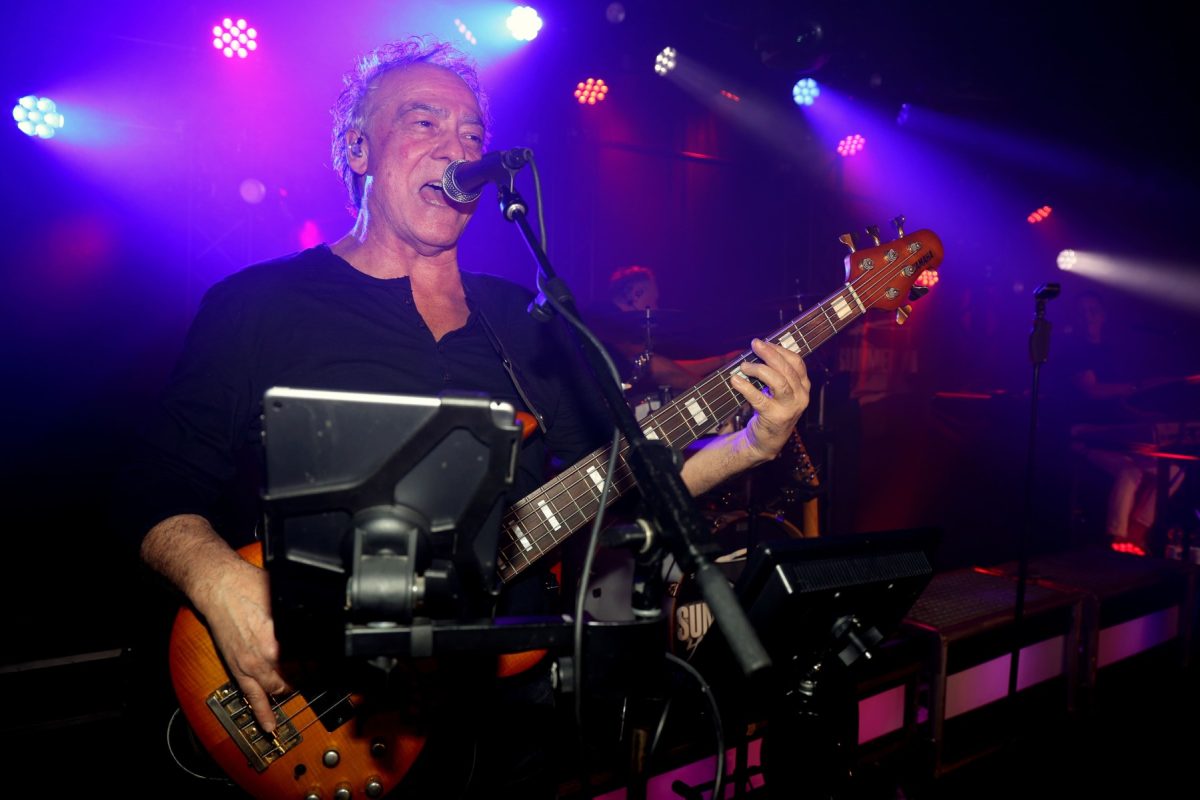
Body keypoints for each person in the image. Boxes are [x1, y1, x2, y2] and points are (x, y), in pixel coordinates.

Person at [115, 36, 810, 798]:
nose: (459, 149)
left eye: (473, 135)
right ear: (357, 149)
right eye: (425, 123)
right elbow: (152, 487)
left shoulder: (527, 320)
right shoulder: (257, 306)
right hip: (314, 704)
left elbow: (621, 479)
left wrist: (748, 445)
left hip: (501, 727)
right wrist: (219, 584)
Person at [1059, 289, 1183, 555]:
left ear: (1103, 315)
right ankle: (1118, 539)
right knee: (1130, 472)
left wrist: (1156, 419)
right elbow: (1092, 390)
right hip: (1085, 433)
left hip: (1114, 435)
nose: (1088, 316)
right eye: (1082, 312)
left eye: (1092, 310)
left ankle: (1137, 530)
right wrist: (1136, 387)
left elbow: (1121, 405)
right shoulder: (1074, 350)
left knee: (1174, 470)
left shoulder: (1111, 352)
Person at [600, 264, 741, 416]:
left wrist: (723, 360)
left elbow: (669, 368)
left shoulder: (618, 329)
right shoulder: (604, 323)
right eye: (654, 300)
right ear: (636, 294)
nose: (656, 307)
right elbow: (657, 368)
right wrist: (714, 392)